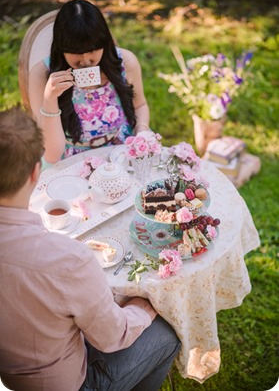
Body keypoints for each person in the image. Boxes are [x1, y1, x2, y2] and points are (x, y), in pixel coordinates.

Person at [0, 109, 181, 390]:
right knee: (167, 333)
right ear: (36, 172)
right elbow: (112, 338)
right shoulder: (68, 259)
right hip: (66, 383)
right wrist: (143, 310)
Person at [29, 0, 151, 164]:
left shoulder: (125, 62)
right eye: (75, 52)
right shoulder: (41, 75)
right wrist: (50, 98)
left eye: (93, 49)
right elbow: (51, 155)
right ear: (61, 47)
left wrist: (141, 131)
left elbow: (140, 105)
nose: (85, 61)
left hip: (121, 150)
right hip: (72, 161)